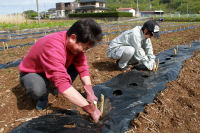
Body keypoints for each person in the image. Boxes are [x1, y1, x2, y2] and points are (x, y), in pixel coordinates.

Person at [19, 19, 103, 123]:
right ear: (73, 38)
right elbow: (62, 81)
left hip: (56, 66)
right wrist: (90, 109)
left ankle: (56, 89)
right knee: (38, 90)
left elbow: (82, 67)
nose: (84, 51)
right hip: (34, 72)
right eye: (85, 47)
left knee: (75, 67)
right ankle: (42, 99)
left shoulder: (73, 44)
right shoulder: (53, 46)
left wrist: (89, 91)